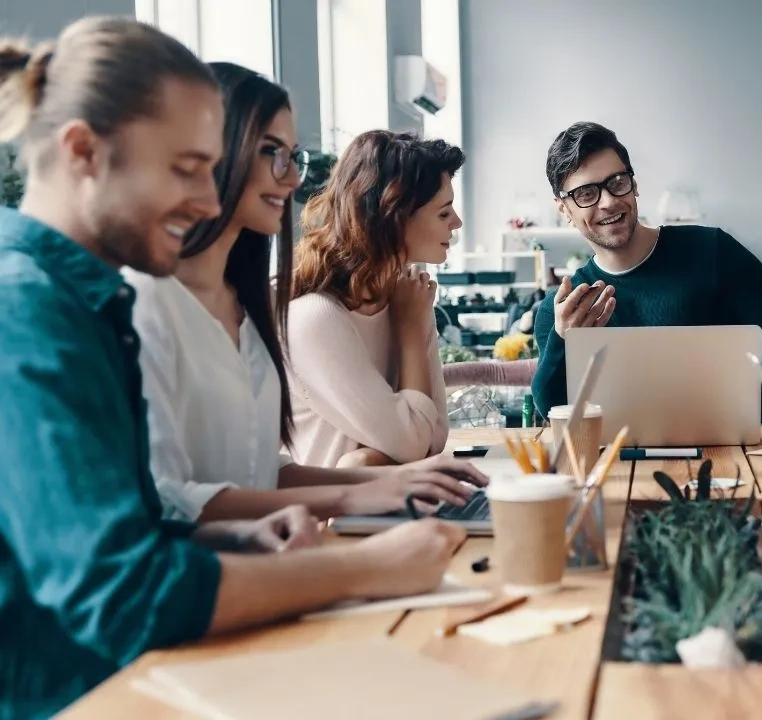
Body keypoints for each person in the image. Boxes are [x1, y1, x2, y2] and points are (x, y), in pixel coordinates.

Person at [0, 19, 463, 717]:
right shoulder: (28, 313)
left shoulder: (83, 300)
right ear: (84, 153)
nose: (211, 201)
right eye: (186, 169)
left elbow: (129, 522)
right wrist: (363, 566)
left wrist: (224, 534)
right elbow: (122, 595)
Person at [127, 63, 485, 522]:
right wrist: (367, 485)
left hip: (281, 550)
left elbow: (263, 472)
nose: (295, 178)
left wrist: (389, 482)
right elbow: (171, 502)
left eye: (293, 157)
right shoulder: (151, 304)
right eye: (274, 153)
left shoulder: (248, 305)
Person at [529, 121, 762, 417]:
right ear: (564, 209)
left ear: (635, 184)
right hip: (618, 461)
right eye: (586, 194)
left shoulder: (711, 251)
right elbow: (552, 409)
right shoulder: (565, 311)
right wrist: (562, 338)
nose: (608, 201)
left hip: (722, 456)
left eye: (617, 182)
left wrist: (734, 410)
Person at [288, 131, 463, 468]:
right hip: (331, 517)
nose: (457, 222)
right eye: (443, 213)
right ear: (394, 218)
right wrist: (412, 330)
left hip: (395, 504)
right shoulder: (316, 317)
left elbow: (435, 435)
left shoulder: (405, 297)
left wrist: (370, 458)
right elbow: (414, 443)